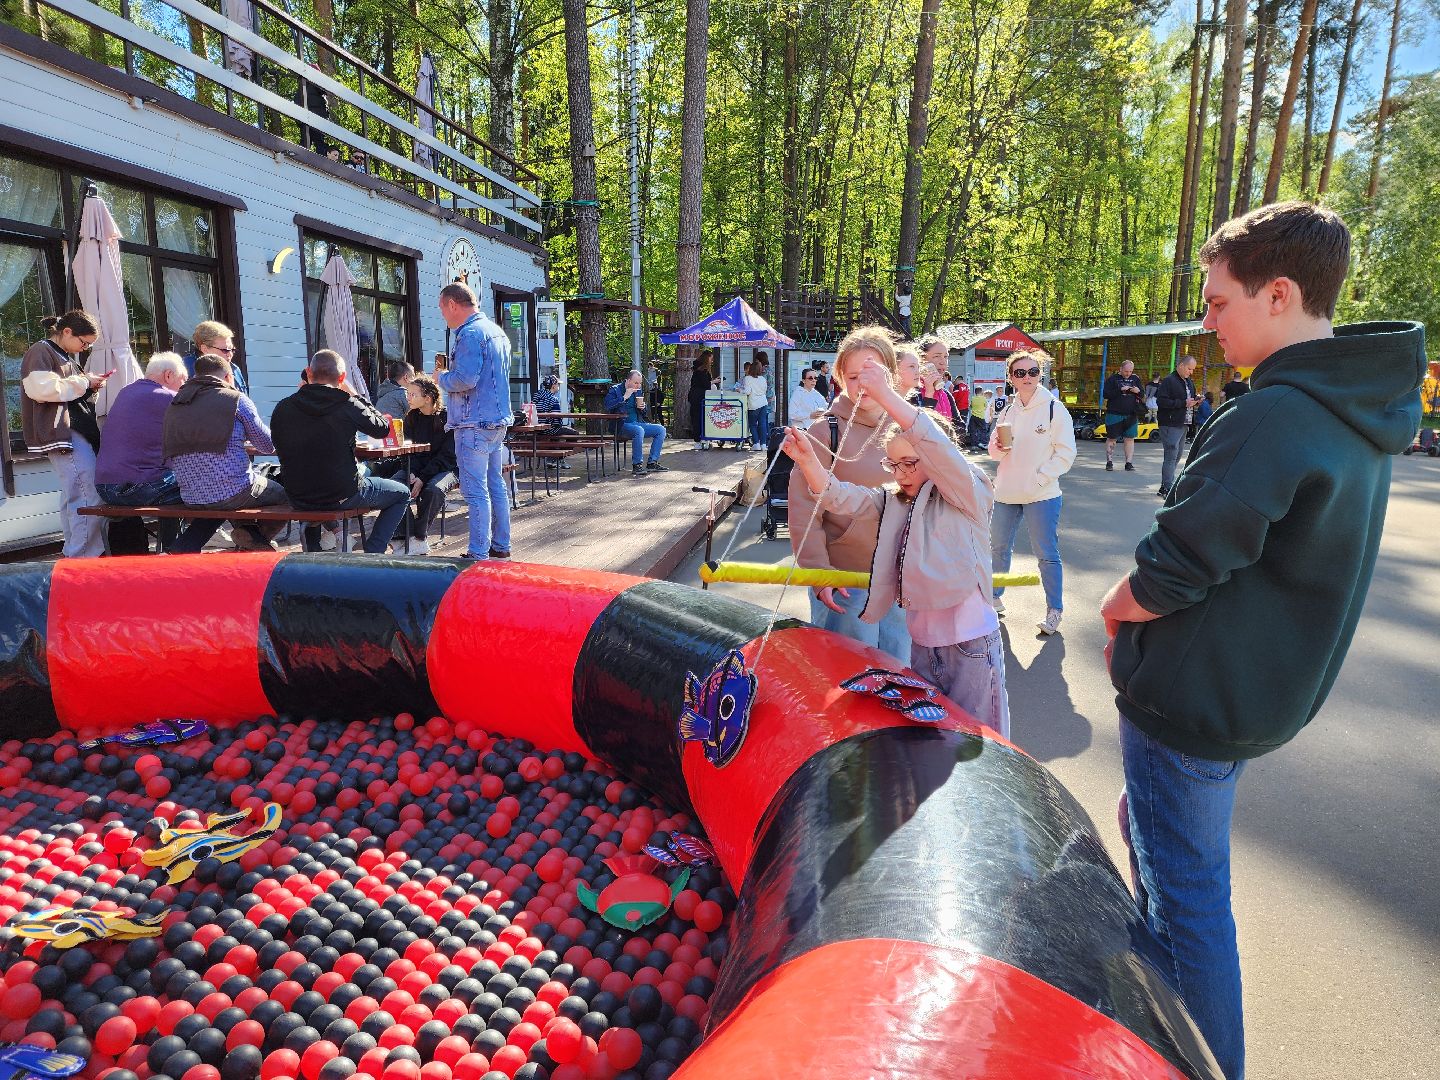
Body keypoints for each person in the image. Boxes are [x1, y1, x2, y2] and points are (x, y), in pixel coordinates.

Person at [1100, 201, 1423, 1080]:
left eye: (1218, 302)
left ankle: (1204, 1060)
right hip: (1252, 694)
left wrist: (1115, 612)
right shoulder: (1355, 407)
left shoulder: (1275, 413)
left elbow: (1177, 562)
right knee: (1166, 850)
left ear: (1278, 294)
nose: (1207, 323)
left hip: (1195, 700)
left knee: (1190, 905)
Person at [781, 361, 1007, 736]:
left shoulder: (968, 491)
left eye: (910, 463)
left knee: (979, 739)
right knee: (931, 737)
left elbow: (936, 447)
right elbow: (841, 496)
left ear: (935, 458)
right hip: (923, 646)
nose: (900, 473)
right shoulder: (897, 500)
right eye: (893, 464)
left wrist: (886, 395)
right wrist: (807, 461)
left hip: (970, 645)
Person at [788, 326, 911, 659]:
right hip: (845, 582)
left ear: (891, 374)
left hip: (902, 580)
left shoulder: (909, 426)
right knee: (848, 671)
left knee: (901, 670)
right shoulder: (825, 430)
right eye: (854, 376)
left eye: (872, 374)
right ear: (840, 378)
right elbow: (803, 509)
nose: (863, 384)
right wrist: (819, 572)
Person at [271, 349, 410, 554]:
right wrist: (355, 395)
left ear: (308, 373)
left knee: (312, 476)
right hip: (342, 493)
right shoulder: (347, 403)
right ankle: (373, 552)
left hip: (297, 495)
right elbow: (382, 427)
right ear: (342, 377)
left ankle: (313, 551)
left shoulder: (283, 407)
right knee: (402, 493)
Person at [989, 349, 1076, 636]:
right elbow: (994, 452)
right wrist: (998, 449)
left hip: (1042, 495)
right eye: (1020, 373)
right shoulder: (1006, 411)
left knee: (1046, 554)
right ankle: (994, 598)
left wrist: (1039, 479)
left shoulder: (1054, 408)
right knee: (998, 548)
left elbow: (1066, 454)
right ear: (1011, 378)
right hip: (1006, 493)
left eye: (1033, 372)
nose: (1027, 377)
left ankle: (1054, 610)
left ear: (1040, 375)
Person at [164, 353, 286, 553]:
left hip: (190, 494)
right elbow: (267, 445)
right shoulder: (235, 400)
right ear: (229, 377)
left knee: (221, 498)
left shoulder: (176, 403)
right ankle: (256, 539)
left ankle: (245, 538)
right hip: (233, 491)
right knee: (283, 495)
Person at [20, 311, 109, 558]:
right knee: (86, 491)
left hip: (70, 432)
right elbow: (41, 390)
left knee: (76, 492)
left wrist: (89, 385)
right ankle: (82, 555)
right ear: (67, 331)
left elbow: (65, 393)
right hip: (63, 433)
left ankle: (75, 552)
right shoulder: (41, 351)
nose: (85, 348)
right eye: (84, 343)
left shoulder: (61, 355)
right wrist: (85, 382)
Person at [435, 282, 513, 560]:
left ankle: (478, 553)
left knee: (475, 490)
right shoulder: (497, 332)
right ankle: (500, 546)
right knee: (495, 485)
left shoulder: (469, 334)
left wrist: (441, 378)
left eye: (442, 309)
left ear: (452, 305)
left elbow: (465, 379)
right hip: (496, 422)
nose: (443, 315)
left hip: (473, 423)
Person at [95, 352, 188, 550]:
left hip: (105, 488)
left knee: (174, 480)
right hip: (138, 487)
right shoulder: (168, 397)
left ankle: (173, 549)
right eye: (183, 380)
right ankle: (180, 549)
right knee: (209, 489)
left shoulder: (125, 392)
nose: (184, 387)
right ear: (168, 375)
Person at [384, 374, 458, 554]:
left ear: (428, 398)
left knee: (433, 490)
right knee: (392, 487)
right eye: (407, 394)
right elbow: (407, 450)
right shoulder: (411, 417)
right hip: (416, 468)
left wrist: (422, 478)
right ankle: (404, 536)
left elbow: (447, 456)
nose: (408, 398)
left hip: (445, 468)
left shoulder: (447, 418)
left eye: (413, 394)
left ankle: (419, 538)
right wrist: (411, 472)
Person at [605, 369, 667, 477]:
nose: (638, 386)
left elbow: (643, 413)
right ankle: (637, 465)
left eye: (640, 383)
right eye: (636, 383)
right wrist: (624, 397)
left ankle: (652, 463)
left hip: (637, 423)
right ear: (628, 381)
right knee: (639, 430)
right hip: (620, 425)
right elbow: (607, 405)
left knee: (660, 429)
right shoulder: (615, 390)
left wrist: (643, 408)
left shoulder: (638, 391)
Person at [1155, 356, 1199, 497]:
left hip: (1184, 422)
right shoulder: (1169, 381)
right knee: (1171, 455)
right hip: (1170, 423)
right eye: (1189, 369)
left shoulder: (1188, 381)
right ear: (1181, 365)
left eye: (1192, 369)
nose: (1191, 372)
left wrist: (1197, 400)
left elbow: (1189, 399)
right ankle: (1167, 487)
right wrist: (1183, 403)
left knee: (1177, 455)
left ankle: (1166, 485)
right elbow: (1161, 401)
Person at [182, 320, 249, 396]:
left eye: (232, 349)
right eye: (225, 350)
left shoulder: (234, 369)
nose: (230, 354)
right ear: (205, 349)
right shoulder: (183, 370)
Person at [1101, 359, 1144, 471]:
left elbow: (1142, 394)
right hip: (1114, 413)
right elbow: (1106, 394)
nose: (1128, 374)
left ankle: (1129, 463)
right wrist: (1120, 390)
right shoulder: (1112, 379)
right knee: (1112, 438)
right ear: (1120, 369)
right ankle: (1109, 462)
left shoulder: (1135, 379)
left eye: (1130, 371)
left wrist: (1137, 391)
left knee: (1129, 438)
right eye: (1126, 371)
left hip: (1131, 414)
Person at [690, 351, 718, 448]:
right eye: (711, 358)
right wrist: (714, 381)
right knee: (699, 418)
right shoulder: (702, 371)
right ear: (707, 358)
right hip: (699, 397)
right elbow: (705, 384)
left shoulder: (698, 369)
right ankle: (699, 439)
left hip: (695, 396)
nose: (712, 361)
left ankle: (700, 439)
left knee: (698, 418)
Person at [739, 360, 769, 450]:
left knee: (752, 424)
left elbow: (747, 392)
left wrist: (740, 390)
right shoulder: (763, 379)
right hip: (763, 403)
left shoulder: (747, 378)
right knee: (762, 423)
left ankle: (756, 443)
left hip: (753, 404)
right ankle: (763, 444)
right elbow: (765, 390)